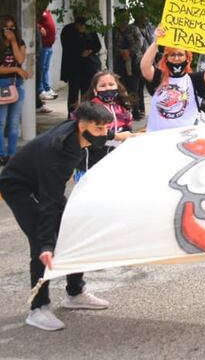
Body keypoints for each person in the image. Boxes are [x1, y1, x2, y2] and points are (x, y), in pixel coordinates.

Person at [0, 101, 127, 331]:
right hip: (18, 186)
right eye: (99, 129)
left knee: (73, 228)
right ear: (82, 126)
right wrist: (48, 244)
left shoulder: (78, 131)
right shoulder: (57, 155)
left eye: (106, 128)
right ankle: (37, 309)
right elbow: (49, 203)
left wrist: (119, 137)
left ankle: (75, 292)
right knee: (41, 242)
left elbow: (101, 137)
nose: (104, 133)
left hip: (40, 179)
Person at [139, 26, 205, 131]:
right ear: (166, 58)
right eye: (172, 55)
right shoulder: (158, 77)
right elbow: (144, 67)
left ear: (187, 58)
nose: (176, 58)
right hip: (159, 137)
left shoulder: (195, 80)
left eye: (180, 54)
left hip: (186, 138)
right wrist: (156, 42)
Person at [77, 71, 134, 173]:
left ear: (117, 87)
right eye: (102, 85)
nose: (108, 88)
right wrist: (116, 136)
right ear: (95, 90)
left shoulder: (123, 109)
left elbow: (128, 132)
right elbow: (86, 132)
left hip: (115, 163)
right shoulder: (89, 108)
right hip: (90, 165)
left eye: (111, 84)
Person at [60, 10, 102, 113]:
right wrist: (79, 51)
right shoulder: (68, 30)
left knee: (87, 93)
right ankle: (72, 116)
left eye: (83, 14)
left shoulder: (90, 29)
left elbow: (97, 45)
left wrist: (90, 51)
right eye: (79, 14)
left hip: (88, 67)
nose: (82, 16)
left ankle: (85, 114)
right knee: (73, 93)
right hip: (73, 66)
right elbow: (67, 46)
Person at [0, 15, 28, 165]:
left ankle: (12, 155)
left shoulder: (19, 42)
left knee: (14, 122)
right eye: (6, 28)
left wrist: (13, 42)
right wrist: (17, 69)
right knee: (1, 122)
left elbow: (20, 59)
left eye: (12, 28)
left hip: (16, 84)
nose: (9, 30)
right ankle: (1, 154)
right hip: (2, 84)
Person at [111, 9, 144, 121]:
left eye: (125, 17)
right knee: (120, 87)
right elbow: (109, 45)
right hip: (118, 62)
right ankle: (122, 110)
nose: (124, 20)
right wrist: (121, 52)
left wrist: (129, 52)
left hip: (134, 62)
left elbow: (140, 42)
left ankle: (136, 110)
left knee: (134, 87)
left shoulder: (134, 29)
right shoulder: (112, 31)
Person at [36, 8, 57, 101]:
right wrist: (40, 27)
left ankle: (47, 88)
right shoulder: (39, 11)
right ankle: (41, 90)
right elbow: (33, 21)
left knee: (45, 68)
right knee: (41, 68)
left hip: (49, 46)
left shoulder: (47, 10)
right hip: (43, 46)